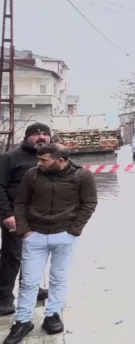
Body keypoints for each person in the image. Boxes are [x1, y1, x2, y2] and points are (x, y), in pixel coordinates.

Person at [3, 143, 98, 344]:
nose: (39, 163)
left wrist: (74, 229)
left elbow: (89, 203)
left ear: (61, 161)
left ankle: (52, 315)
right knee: (29, 280)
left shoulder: (82, 176)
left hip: (65, 235)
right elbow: (21, 203)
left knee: (58, 277)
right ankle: (22, 321)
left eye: (44, 160)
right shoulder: (33, 175)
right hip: (35, 235)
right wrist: (25, 230)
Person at [0, 123, 53, 316]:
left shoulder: (50, 158)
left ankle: (32, 289)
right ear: (27, 136)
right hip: (16, 216)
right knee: (12, 256)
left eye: (45, 134)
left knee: (35, 256)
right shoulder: (10, 158)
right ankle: (4, 298)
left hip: (41, 216)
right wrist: (6, 214)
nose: (41, 137)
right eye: (36, 134)